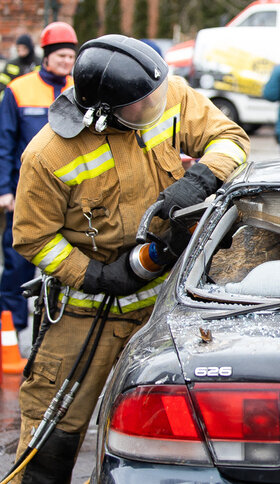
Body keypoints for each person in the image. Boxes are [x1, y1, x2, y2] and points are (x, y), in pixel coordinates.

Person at [9, 34, 248, 482]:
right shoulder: (47, 156)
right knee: (53, 427)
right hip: (85, 316)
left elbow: (230, 139)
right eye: (143, 104)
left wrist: (201, 177)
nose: (157, 104)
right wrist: (96, 275)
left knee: (173, 425)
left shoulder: (163, 93)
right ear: (103, 114)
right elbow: (33, 238)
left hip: (165, 305)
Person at [0, 22, 76, 335]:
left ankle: (53, 324)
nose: (67, 63)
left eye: (71, 57)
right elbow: (4, 142)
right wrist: (5, 190)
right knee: (17, 263)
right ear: (46, 55)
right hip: (24, 193)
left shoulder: (79, 89)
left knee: (62, 264)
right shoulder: (18, 89)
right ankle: (11, 328)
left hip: (69, 196)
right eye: (61, 56)